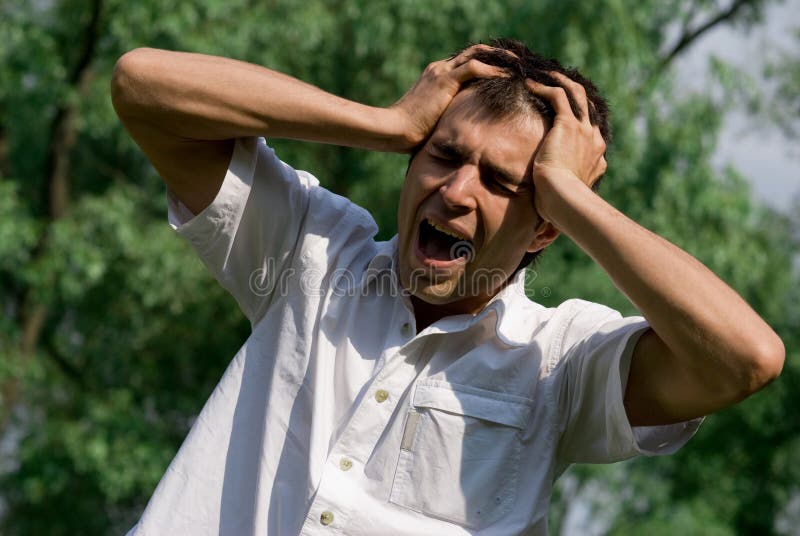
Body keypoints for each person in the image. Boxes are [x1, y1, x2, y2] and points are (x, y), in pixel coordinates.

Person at [111, 38, 784, 535]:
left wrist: (570, 197)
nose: (457, 191)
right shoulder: (308, 253)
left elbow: (745, 358)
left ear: (545, 228)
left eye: (502, 183)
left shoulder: (560, 362)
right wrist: (386, 123)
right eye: (443, 154)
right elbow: (142, 85)